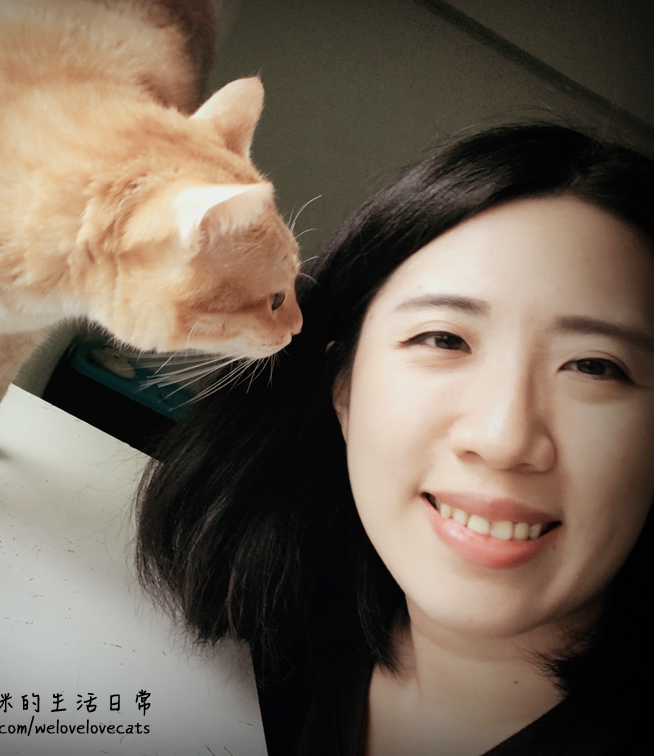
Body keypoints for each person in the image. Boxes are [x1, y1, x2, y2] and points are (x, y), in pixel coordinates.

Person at [134, 123, 654, 755]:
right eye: (443, 339)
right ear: (343, 387)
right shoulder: (254, 664)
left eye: (595, 366)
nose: (503, 439)